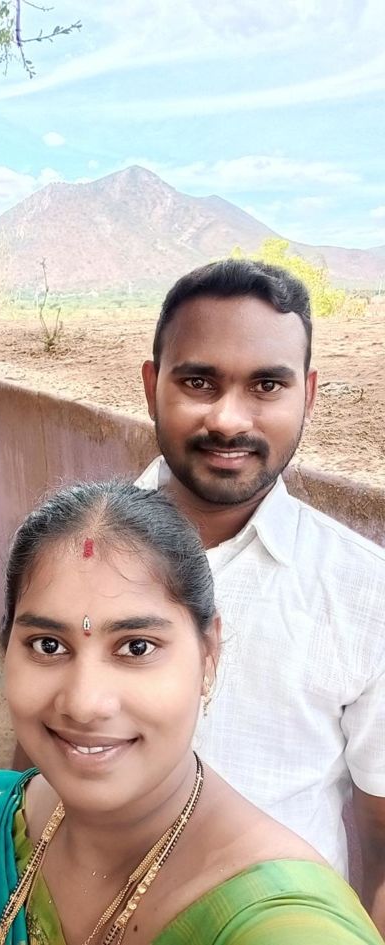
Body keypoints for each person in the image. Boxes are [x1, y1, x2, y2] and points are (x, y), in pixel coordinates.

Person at [0, 481, 382, 945]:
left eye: (137, 647)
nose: (84, 703)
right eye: (48, 644)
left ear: (209, 654)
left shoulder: (285, 924)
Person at [136, 258, 385, 931]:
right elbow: (34, 753)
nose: (227, 419)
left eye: (267, 385)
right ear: (153, 386)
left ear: (307, 395)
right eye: (198, 382)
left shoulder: (367, 593)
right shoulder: (71, 553)